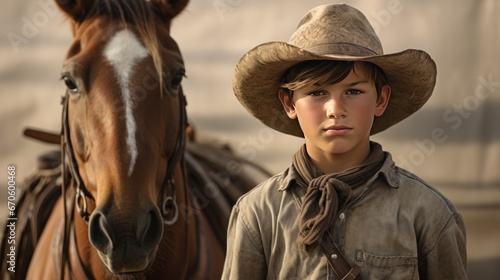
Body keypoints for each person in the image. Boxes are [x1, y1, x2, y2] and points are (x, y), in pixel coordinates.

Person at [221, 3, 467, 280]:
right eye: (317, 92)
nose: (335, 109)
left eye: (353, 90)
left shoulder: (427, 213)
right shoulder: (257, 214)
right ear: (289, 103)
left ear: (381, 99)